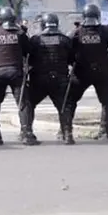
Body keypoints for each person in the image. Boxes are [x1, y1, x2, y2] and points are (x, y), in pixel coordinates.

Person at [67, 4, 108, 143]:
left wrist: (74, 61)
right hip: (102, 72)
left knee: (70, 101)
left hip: (81, 72)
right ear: (98, 16)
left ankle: (66, 132)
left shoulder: (76, 32)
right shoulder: (107, 30)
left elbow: (68, 52)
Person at [27, 13, 75, 145]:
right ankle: (67, 134)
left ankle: (27, 133)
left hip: (39, 79)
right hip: (60, 78)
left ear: (43, 24)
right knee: (64, 106)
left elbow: (29, 59)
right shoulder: (65, 40)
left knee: (29, 105)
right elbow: (71, 59)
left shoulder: (36, 40)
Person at [0, 7, 30, 145]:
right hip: (16, 72)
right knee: (23, 103)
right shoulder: (20, 33)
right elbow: (28, 51)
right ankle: (26, 133)